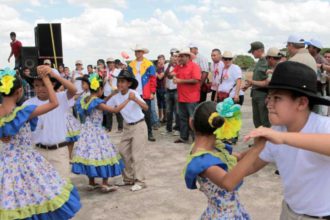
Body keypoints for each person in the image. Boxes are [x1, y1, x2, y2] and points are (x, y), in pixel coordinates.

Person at [243, 61, 330, 220]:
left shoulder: (323, 126)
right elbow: (252, 163)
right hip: (289, 211)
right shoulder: (278, 130)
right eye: (269, 97)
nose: (269, 104)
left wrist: (282, 138)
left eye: (277, 98)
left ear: (302, 103)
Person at [0, 66, 81, 219]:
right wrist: (46, 78)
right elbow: (54, 103)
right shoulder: (24, 110)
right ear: (19, 92)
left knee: (16, 200)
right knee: (47, 195)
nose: (39, 88)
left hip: (6, 165)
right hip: (30, 161)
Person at [184, 100, 265, 219]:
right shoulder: (203, 160)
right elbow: (228, 182)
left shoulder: (214, 149)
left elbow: (242, 159)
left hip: (227, 212)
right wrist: (257, 148)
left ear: (191, 122)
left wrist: (268, 146)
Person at [71, 73, 129, 192]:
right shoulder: (96, 101)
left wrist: (110, 96)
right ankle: (104, 183)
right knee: (104, 154)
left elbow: (99, 102)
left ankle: (91, 182)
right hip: (97, 131)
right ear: (100, 89)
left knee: (90, 155)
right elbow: (114, 110)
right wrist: (128, 99)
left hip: (87, 131)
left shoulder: (86, 98)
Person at [23, 66, 77, 179]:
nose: (40, 88)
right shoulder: (28, 104)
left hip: (59, 151)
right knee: (43, 189)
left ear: (52, 84)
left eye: (44, 84)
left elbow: (73, 90)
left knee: (63, 186)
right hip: (38, 152)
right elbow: (18, 123)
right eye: (36, 85)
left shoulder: (61, 97)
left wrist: (54, 75)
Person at [107, 70, 149, 191]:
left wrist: (135, 99)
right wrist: (111, 94)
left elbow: (146, 107)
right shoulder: (116, 96)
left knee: (137, 155)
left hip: (139, 126)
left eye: (122, 82)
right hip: (127, 127)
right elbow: (106, 105)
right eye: (119, 81)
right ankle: (128, 178)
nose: (120, 84)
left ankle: (140, 181)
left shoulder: (133, 93)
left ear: (129, 84)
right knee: (122, 151)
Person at [171, 48, 201, 143]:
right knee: (182, 117)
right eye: (179, 56)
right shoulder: (179, 67)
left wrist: (180, 81)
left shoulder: (194, 66)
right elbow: (170, 74)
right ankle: (184, 137)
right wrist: (172, 74)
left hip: (191, 98)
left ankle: (196, 139)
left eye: (182, 56)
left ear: (188, 57)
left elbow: (196, 80)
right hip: (181, 97)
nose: (180, 58)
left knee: (192, 118)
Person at [128, 44, 156, 142]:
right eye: (136, 51)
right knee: (134, 114)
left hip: (146, 92)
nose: (137, 53)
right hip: (134, 93)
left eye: (139, 51)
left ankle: (149, 133)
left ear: (143, 52)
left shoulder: (149, 64)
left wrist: (152, 92)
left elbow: (153, 79)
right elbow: (128, 79)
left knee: (147, 114)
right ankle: (136, 134)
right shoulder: (131, 64)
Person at [245, 41, 270, 128]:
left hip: (263, 95)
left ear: (260, 50)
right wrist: (248, 85)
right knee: (257, 120)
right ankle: (259, 140)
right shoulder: (259, 62)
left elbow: (268, 82)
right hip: (255, 94)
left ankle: (267, 141)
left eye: (253, 51)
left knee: (265, 120)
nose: (252, 53)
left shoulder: (268, 61)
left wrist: (252, 82)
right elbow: (258, 78)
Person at [306, 39, 329, 116]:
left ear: (315, 49)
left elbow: (326, 78)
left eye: (309, 46)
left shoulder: (322, 60)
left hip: (317, 91)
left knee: (315, 115)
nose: (307, 47)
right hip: (308, 90)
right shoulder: (309, 57)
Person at [104, 57, 123, 133]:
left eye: (111, 63)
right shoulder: (105, 72)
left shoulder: (118, 71)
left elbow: (121, 80)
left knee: (118, 111)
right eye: (108, 63)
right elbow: (101, 83)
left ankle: (120, 128)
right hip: (107, 93)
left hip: (116, 93)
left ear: (114, 64)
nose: (110, 64)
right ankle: (108, 128)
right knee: (108, 111)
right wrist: (104, 80)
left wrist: (118, 89)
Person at [164, 48, 180, 135]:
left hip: (177, 90)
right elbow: (166, 75)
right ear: (171, 57)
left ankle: (177, 128)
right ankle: (168, 128)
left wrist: (176, 65)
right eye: (173, 56)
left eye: (177, 56)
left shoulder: (180, 66)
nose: (175, 58)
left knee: (177, 111)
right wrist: (170, 65)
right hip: (168, 90)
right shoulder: (167, 65)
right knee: (168, 111)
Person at [156, 54, 167, 123]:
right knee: (159, 104)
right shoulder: (157, 68)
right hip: (157, 88)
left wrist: (155, 73)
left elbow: (160, 77)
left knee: (164, 103)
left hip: (163, 88)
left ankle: (165, 118)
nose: (160, 60)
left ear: (164, 60)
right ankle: (160, 118)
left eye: (161, 59)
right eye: (159, 59)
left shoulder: (165, 68)